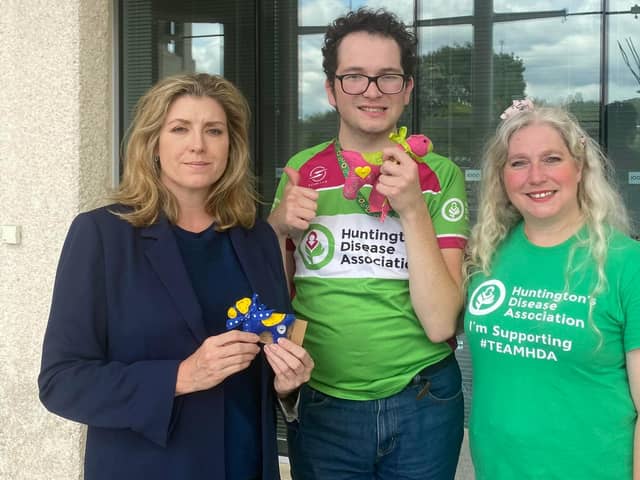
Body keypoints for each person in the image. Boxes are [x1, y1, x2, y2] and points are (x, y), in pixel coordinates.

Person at [38, 73, 313, 480]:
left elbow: (271, 353)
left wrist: (288, 385)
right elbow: (61, 382)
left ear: (231, 146)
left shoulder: (255, 235)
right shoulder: (101, 235)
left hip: (245, 462)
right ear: (153, 143)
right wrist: (181, 376)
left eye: (214, 130)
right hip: (147, 467)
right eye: (180, 128)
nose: (197, 145)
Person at [268, 8, 469, 480]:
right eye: (354, 77)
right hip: (323, 403)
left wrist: (414, 209)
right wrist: (277, 229)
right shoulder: (302, 171)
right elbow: (277, 298)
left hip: (423, 400)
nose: (373, 92)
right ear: (331, 90)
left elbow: (441, 322)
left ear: (408, 88)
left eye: (388, 78)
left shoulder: (440, 176)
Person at [463, 100, 640, 479]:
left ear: (580, 167)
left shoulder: (628, 264)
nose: (535, 177)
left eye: (552, 159)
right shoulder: (486, 256)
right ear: (502, 176)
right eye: (519, 163)